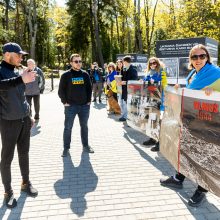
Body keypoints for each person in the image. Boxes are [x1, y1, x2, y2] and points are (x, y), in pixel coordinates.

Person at [160, 44, 220, 207]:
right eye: (194, 57)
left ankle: (202, 190)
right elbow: (192, 93)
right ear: (190, 60)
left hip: (210, 124)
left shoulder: (216, 73)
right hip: (192, 121)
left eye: (202, 56)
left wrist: (213, 93)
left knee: (206, 156)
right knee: (187, 149)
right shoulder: (193, 75)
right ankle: (178, 178)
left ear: (207, 57)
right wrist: (181, 90)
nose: (198, 59)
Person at [0, 42, 38, 209]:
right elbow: (3, 85)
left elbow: (22, 97)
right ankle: (8, 191)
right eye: (19, 55)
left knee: (24, 153)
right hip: (8, 122)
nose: (22, 58)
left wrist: (29, 115)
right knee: (7, 158)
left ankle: (25, 183)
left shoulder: (16, 71)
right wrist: (21, 78)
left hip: (23, 120)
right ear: (8, 54)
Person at [58, 53, 94, 157]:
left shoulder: (85, 74)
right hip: (71, 107)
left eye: (80, 61)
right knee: (68, 128)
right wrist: (64, 102)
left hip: (84, 107)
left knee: (84, 127)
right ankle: (66, 148)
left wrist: (88, 101)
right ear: (71, 63)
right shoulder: (66, 75)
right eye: (76, 61)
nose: (78, 63)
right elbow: (61, 91)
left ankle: (86, 146)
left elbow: (89, 88)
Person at [142, 57, 167, 151]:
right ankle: (153, 138)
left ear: (157, 63)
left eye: (154, 63)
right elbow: (145, 84)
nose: (153, 65)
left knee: (158, 121)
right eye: (151, 63)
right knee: (151, 120)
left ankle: (159, 142)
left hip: (158, 99)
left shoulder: (161, 72)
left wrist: (156, 82)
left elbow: (164, 84)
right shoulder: (148, 73)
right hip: (150, 99)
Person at [118, 55, 138, 122]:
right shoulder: (124, 69)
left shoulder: (133, 69)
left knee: (129, 105)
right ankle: (124, 116)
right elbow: (123, 78)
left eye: (123, 62)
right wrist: (120, 81)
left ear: (126, 62)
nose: (123, 63)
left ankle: (130, 119)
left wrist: (125, 82)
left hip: (130, 91)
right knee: (124, 104)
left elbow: (135, 80)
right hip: (124, 90)